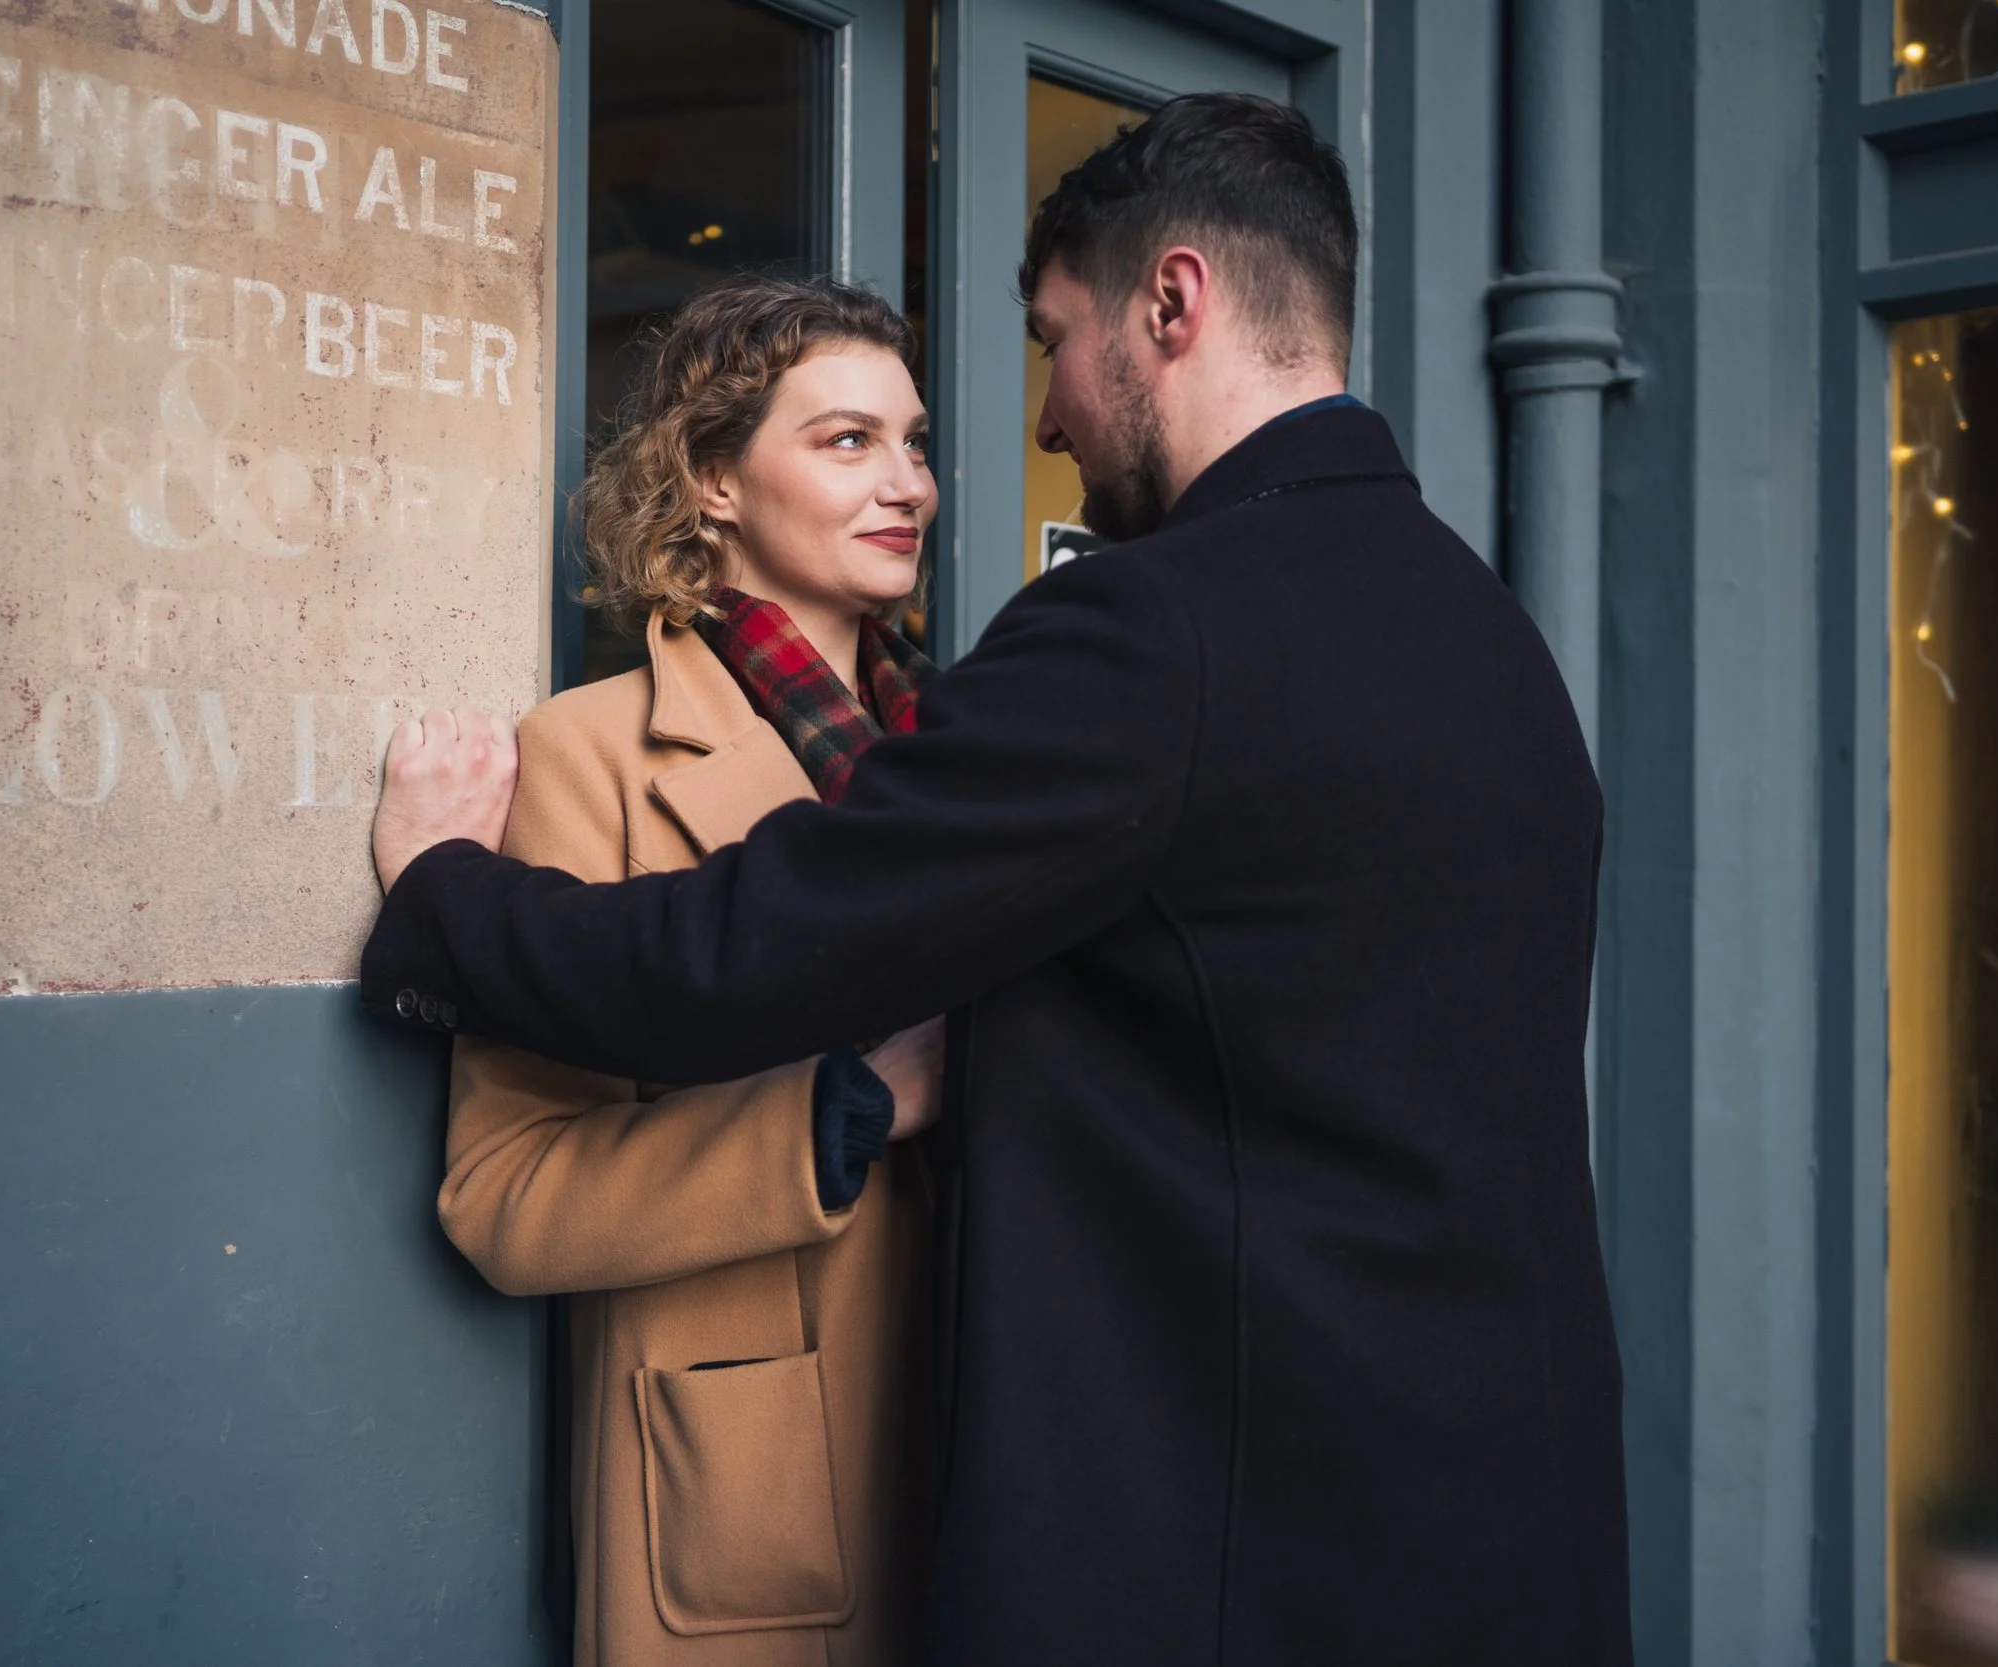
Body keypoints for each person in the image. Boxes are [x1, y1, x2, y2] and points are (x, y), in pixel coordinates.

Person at [367, 93, 1634, 1665]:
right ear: (712, 480)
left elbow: (736, 946)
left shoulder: (1147, 641)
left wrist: (435, 892)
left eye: (1052, 341)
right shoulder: (1491, 639)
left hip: (1231, 1549)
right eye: (850, 438)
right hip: (1484, 1534)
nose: (1034, 424)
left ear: (1170, 304)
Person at [429, 275, 949, 1667]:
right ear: (715, 479)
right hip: (756, 1507)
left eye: (913, 440)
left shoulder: (973, 756)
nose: (905, 481)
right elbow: (505, 1193)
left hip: (991, 1456)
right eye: (846, 441)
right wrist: (839, 1113)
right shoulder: (593, 753)